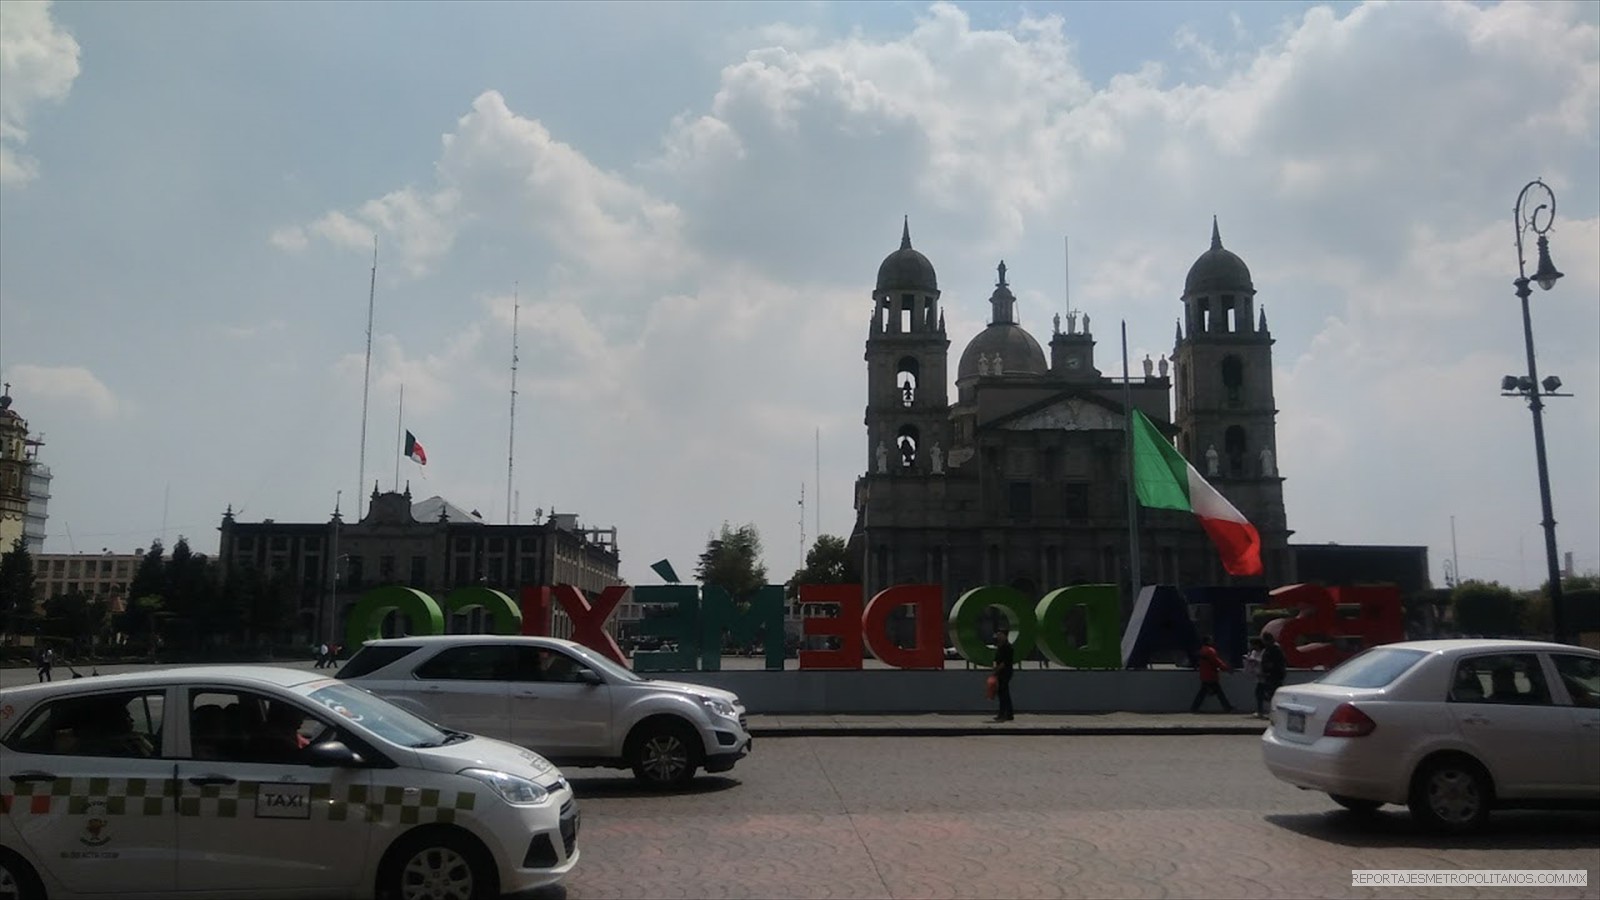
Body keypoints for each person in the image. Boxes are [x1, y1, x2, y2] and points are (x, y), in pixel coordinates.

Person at [1189, 635, 1235, 713]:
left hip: (1204, 674)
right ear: (1208, 641)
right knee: (1219, 693)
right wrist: (1226, 669)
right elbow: (1217, 662)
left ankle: (1194, 708)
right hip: (1211, 675)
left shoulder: (1201, 650)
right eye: (1211, 640)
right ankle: (1228, 708)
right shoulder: (1210, 651)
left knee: (1203, 692)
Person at [1259, 631, 1287, 717]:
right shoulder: (1271, 648)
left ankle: (1274, 712)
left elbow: (1275, 663)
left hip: (1273, 675)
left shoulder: (1274, 649)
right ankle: (1272, 711)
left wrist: (1267, 668)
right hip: (1272, 674)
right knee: (1268, 693)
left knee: (1272, 693)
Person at [991, 630, 1015, 722]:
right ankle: (1006, 714)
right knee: (1002, 693)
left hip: (1006, 672)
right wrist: (994, 666)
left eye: (1000, 634)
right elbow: (996, 659)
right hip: (999, 672)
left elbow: (1005, 662)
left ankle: (1005, 714)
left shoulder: (1008, 647)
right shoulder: (999, 647)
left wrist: (997, 669)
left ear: (1005, 636)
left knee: (1004, 693)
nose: (998, 636)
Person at [1244, 637, 1266, 718]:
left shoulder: (1264, 652)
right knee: (1259, 693)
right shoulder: (1253, 652)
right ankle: (1260, 710)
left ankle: (1262, 711)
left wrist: (1255, 660)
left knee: (1263, 693)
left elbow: (1263, 661)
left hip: (1264, 674)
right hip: (1258, 675)